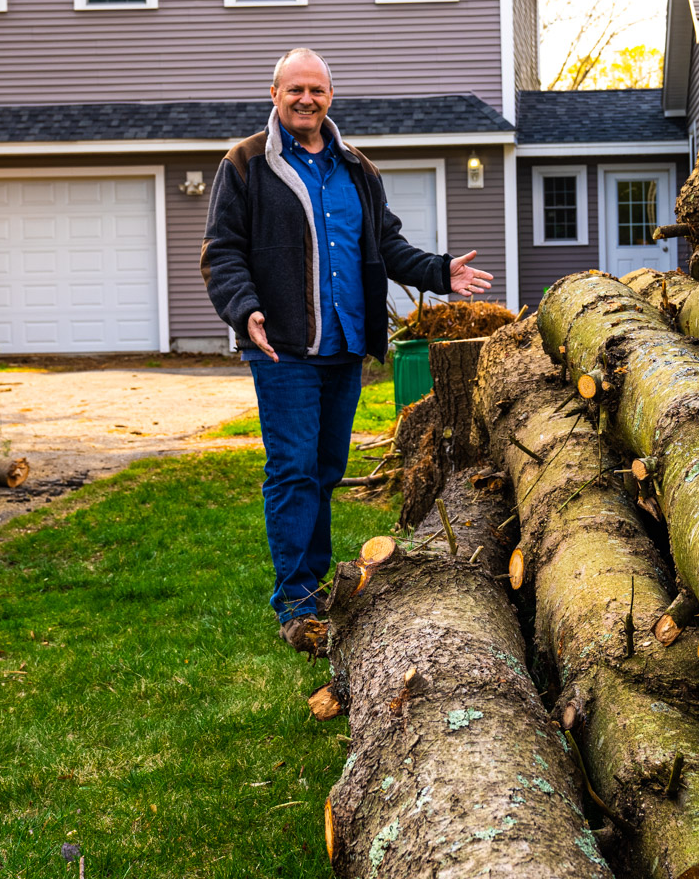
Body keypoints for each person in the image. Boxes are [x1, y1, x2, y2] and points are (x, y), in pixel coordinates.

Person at [201, 47, 493, 656]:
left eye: (317, 90)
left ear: (330, 96)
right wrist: (243, 306)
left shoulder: (357, 168)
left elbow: (387, 246)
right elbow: (222, 250)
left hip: (345, 347)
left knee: (327, 470)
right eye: (295, 89)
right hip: (282, 348)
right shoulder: (246, 164)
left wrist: (441, 271)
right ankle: (297, 602)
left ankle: (316, 587)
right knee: (292, 469)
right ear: (274, 96)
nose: (306, 99)